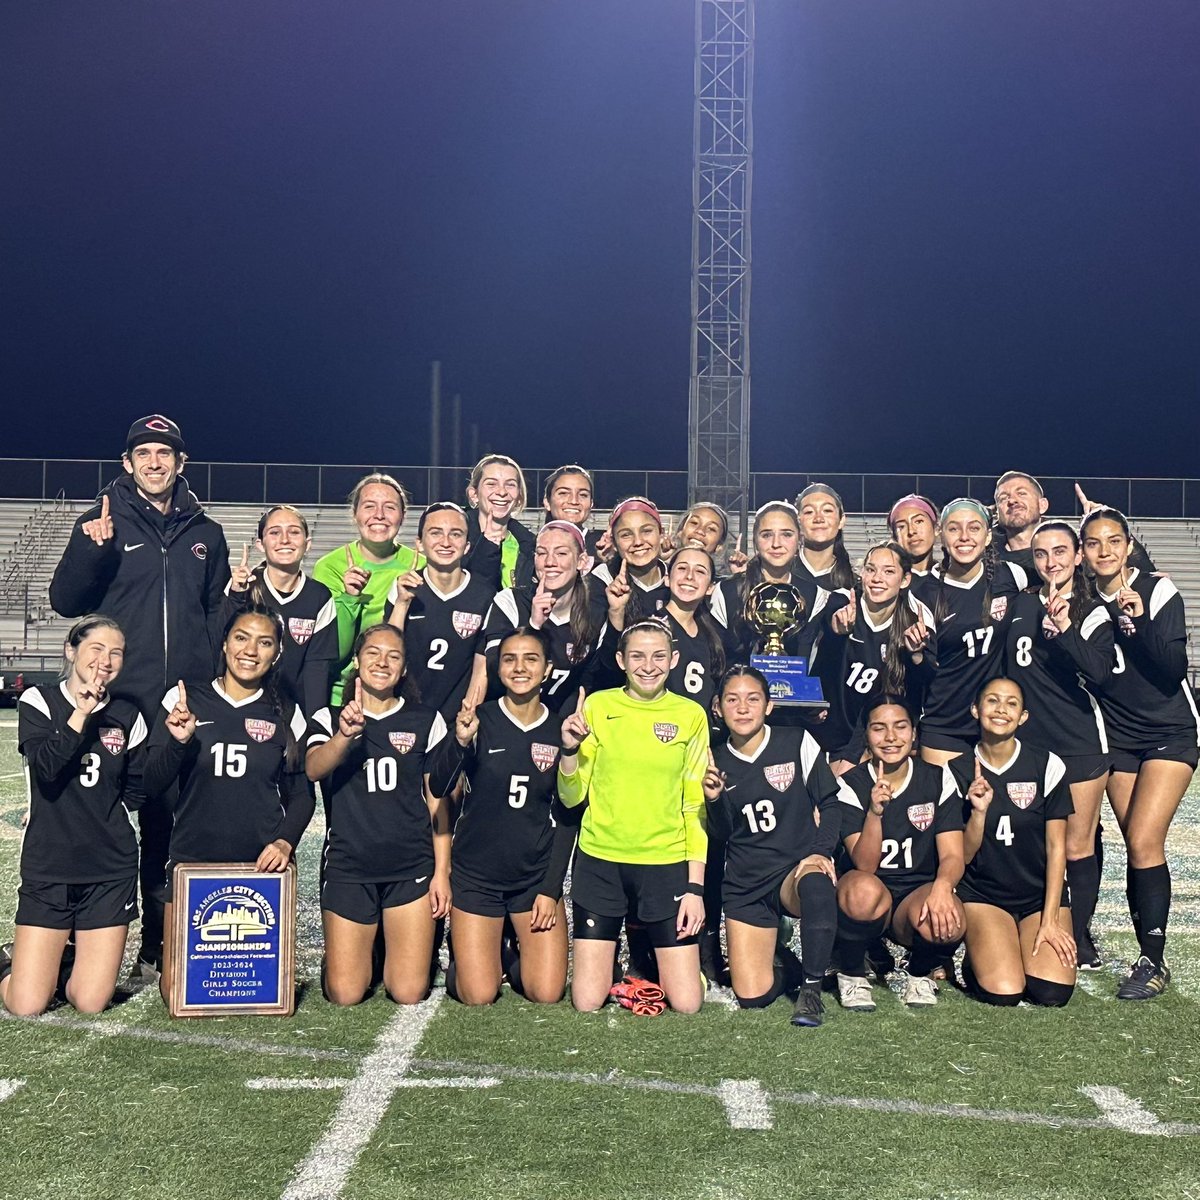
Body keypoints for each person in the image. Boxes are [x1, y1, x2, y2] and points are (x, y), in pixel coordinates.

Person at [48, 414, 230, 978]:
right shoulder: (101, 521)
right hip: (118, 701)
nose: (155, 462)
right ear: (127, 463)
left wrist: (237, 603)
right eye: (144, 453)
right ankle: (70, 946)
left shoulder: (207, 530)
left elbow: (213, 617)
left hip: (181, 700)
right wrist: (90, 550)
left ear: (181, 463)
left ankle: (156, 950)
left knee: (168, 824)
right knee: (92, 820)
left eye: (165, 453)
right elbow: (64, 601)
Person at [144, 607, 313, 1005]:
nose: (250, 650)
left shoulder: (287, 711)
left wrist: (286, 843)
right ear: (224, 642)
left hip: (261, 864)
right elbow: (151, 784)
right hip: (193, 859)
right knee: (177, 994)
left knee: (258, 993)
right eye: (241, 637)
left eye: (264, 641)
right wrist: (177, 742)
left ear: (277, 653)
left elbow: (303, 795)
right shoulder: (185, 699)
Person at [558, 620, 710, 1014]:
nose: (648, 665)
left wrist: (694, 889)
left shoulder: (690, 715)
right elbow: (572, 797)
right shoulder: (597, 705)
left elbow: (694, 809)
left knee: (688, 1002)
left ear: (674, 660)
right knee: (587, 1001)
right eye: (637, 656)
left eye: (659, 656)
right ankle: (621, 964)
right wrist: (569, 751)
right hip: (601, 860)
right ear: (620, 660)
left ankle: (652, 961)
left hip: (665, 862)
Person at [0, 616, 147, 1016]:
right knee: (27, 1004)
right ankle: (12, 961)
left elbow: (137, 788)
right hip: (51, 863)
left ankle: (62, 959)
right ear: (71, 650)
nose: (106, 660)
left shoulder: (128, 715)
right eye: (96, 648)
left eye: (116, 652)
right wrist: (80, 714)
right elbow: (47, 770)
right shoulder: (39, 700)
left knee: (90, 1001)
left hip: (109, 867)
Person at [1082, 508, 1198, 998]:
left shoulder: (1157, 589)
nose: (1104, 551)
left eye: (1113, 541)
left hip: (1169, 730)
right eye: (1093, 543)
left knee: (1146, 839)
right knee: (1136, 844)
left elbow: (1173, 669)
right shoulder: (1082, 599)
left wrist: (1141, 618)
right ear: (1083, 551)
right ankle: (1144, 953)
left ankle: (1154, 961)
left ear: (1129, 546)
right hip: (1119, 737)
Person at [304, 624, 453, 1006]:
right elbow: (313, 768)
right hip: (349, 865)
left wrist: (441, 873)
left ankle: (394, 946)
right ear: (356, 660)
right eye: (372, 652)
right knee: (345, 993)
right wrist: (345, 736)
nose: (382, 662)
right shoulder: (329, 715)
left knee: (407, 991)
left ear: (404, 669)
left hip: (410, 865)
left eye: (393, 655)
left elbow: (437, 801)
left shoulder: (426, 720)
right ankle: (356, 952)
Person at [439, 628, 576, 1005]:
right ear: (498, 668)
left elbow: (568, 816)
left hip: (532, 878)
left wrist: (550, 889)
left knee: (546, 993)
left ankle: (508, 952)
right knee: (478, 995)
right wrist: (460, 742)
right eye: (510, 659)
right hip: (477, 877)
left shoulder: (560, 728)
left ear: (547, 669)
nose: (519, 668)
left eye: (530, 659)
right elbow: (437, 785)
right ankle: (467, 959)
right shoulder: (478, 719)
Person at [1005, 520, 1114, 970]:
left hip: (1078, 743)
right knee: (1034, 840)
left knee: (1076, 845)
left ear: (1077, 556)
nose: (1052, 561)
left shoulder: (1093, 610)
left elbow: (1102, 674)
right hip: (1028, 745)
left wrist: (1066, 628)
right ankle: (1030, 918)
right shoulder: (1017, 605)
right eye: (1042, 554)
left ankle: (1078, 933)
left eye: (1061, 551)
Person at [706, 666, 841, 1027]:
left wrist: (820, 851)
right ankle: (788, 967)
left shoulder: (797, 740)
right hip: (746, 884)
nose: (743, 708)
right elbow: (720, 835)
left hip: (791, 874)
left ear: (768, 706)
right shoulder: (713, 759)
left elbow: (832, 805)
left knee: (816, 880)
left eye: (753, 699)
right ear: (717, 708)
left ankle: (810, 992)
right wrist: (715, 799)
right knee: (753, 996)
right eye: (732, 700)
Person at [950, 677, 1076, 1007]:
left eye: (1011, 703)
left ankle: (1021, 936)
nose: (1001, 709)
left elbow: (1056, 847)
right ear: (975, 710)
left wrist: (1050, 919)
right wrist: (978, 814)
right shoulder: (955, 771)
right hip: (985, 896)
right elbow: (960, 856)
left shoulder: (1048, 765)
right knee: (1004, 992)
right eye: (992, 701)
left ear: (1023, 717)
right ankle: (979, 954)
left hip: (1038, 896)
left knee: (1052, 993)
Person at [833, 697, 965, 1010]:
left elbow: (953, 855)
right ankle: (851, 970)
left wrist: (943, 889)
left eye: (900, 727)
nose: (891, 737)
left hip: (914, 897)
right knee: (862, 892)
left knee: (953, 917)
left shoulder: (937, 778)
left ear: (914, 732)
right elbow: (864, 864)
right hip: (870, 895)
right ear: (866, 735)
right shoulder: (850, 784)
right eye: (879, 729)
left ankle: (920, 972)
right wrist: (875, 813)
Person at [918, 499, 1025, 767]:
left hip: (996, 725)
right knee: (945, 808)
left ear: (988, 536)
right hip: (945, 724)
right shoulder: (924, 592)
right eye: (954, 529)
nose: (964, 537)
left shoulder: (1011, 576)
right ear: (941, 534)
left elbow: (1065, 571)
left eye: (974, 528)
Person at [814, 542, 935, 774]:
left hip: (871, 739)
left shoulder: (914, 621)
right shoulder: (842, 602)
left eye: (889, 571)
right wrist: (836, 630)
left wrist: (916, 654)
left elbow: (922, 688)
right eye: (871, 569)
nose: (877, 578)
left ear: (905, 579)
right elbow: (828, 636)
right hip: (827, 731)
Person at [312, 473, 422, 706]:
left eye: (389, 507)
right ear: (355, 514)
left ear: (402, 516)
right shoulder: (329, 567)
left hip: (404, 694)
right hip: (343, 696)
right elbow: (332, 652)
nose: (379, 515)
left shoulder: (422, 565)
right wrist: (349, 598)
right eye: (369, 506)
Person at [385, 502, 495, 722]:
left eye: (455, 534)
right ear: (420, 544)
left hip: (456, 718)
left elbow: (481, 665)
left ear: (467, 546)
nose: (446, 542)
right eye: (435, 533)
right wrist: (402, 604)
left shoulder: (485, 595)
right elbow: (388, 649)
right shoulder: (404, 588)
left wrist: (470, 711)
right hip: (406, 714)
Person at [478, 521, 605, 712]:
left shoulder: (595, 613)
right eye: (542, 553)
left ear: (581, 561)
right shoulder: (510, 602)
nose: (550, 562)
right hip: (507, 721)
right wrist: (533, 627)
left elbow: (589, 684)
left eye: (561, 553)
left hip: (558, 728)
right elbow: (496, 677)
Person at [225, 504, 337, 717]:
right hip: (241, 707)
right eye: (274, 532)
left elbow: (317, 669)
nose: (285, 539)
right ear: (260, 544)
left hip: (294, 715)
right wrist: (235, 596)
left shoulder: (319, 597)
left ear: (308, 543)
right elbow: (221, 652)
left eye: (294, 532)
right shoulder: (243, 589)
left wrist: (314, 724)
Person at [462, 454, 537, 591]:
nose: (502, 492)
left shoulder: (532, 546)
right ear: (474, 494)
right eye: (491, 484)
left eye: (510, 484)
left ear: (519, 496)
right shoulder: (456, 541)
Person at [590, 497, 670, 621]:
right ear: (615, 544)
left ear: (661, 534)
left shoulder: (676, 577)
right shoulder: (602, 579)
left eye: (647, 531)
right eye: (626, 535)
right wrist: (616, 612)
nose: (638, 541)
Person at [793, 483, 856, 591]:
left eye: (827, 510)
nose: (818, 519)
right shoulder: (780, 575)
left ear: (841, 520)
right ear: (798, 522)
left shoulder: (854, 586)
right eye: (809, 512)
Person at [541, 464, 605, 557]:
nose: (574, 501)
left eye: (583, 495)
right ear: (547, 502)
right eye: (563, 493)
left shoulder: (603, 547)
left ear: (591, 503)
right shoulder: (531, 546)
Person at [887, 494, 939, 582]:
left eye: (919, 521)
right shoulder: (885, 582)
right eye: (902, 526)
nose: (911, 531)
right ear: (895, 537)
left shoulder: (952, 580)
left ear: (936, 528)